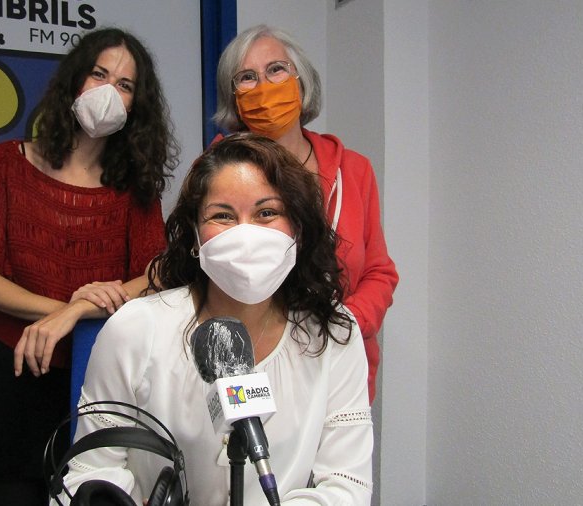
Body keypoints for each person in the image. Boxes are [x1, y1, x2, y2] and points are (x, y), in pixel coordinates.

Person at [61, 134, 372, 505]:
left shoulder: (333, 333)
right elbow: (90, 471)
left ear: (298, 231)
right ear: (195, 237)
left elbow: (345, 485)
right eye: (222, 215)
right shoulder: (136, 329)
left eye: (266, 213)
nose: (245, 233)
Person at [0, 27, 178, 505]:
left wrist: (76, 314)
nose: (108, 91)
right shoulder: (7, 164)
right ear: (74, 81)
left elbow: (160, 276)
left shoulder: (136, 189)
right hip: (12, 379)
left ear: (135, 105)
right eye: (99, 74)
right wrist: (65, 307)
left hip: (101, 382)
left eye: (124, 84)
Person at [213, 25, 398, 403]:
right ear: (234, 97)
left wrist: (345, 325)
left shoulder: (354, 169)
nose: (263, 85)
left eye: (276, 70)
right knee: (243, 461)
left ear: (302, 81)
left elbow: (380, 272)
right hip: (249, 368)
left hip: (338, 367)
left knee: (337, 463)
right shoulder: (217, 169)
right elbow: (199, 271)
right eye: (246, 77)